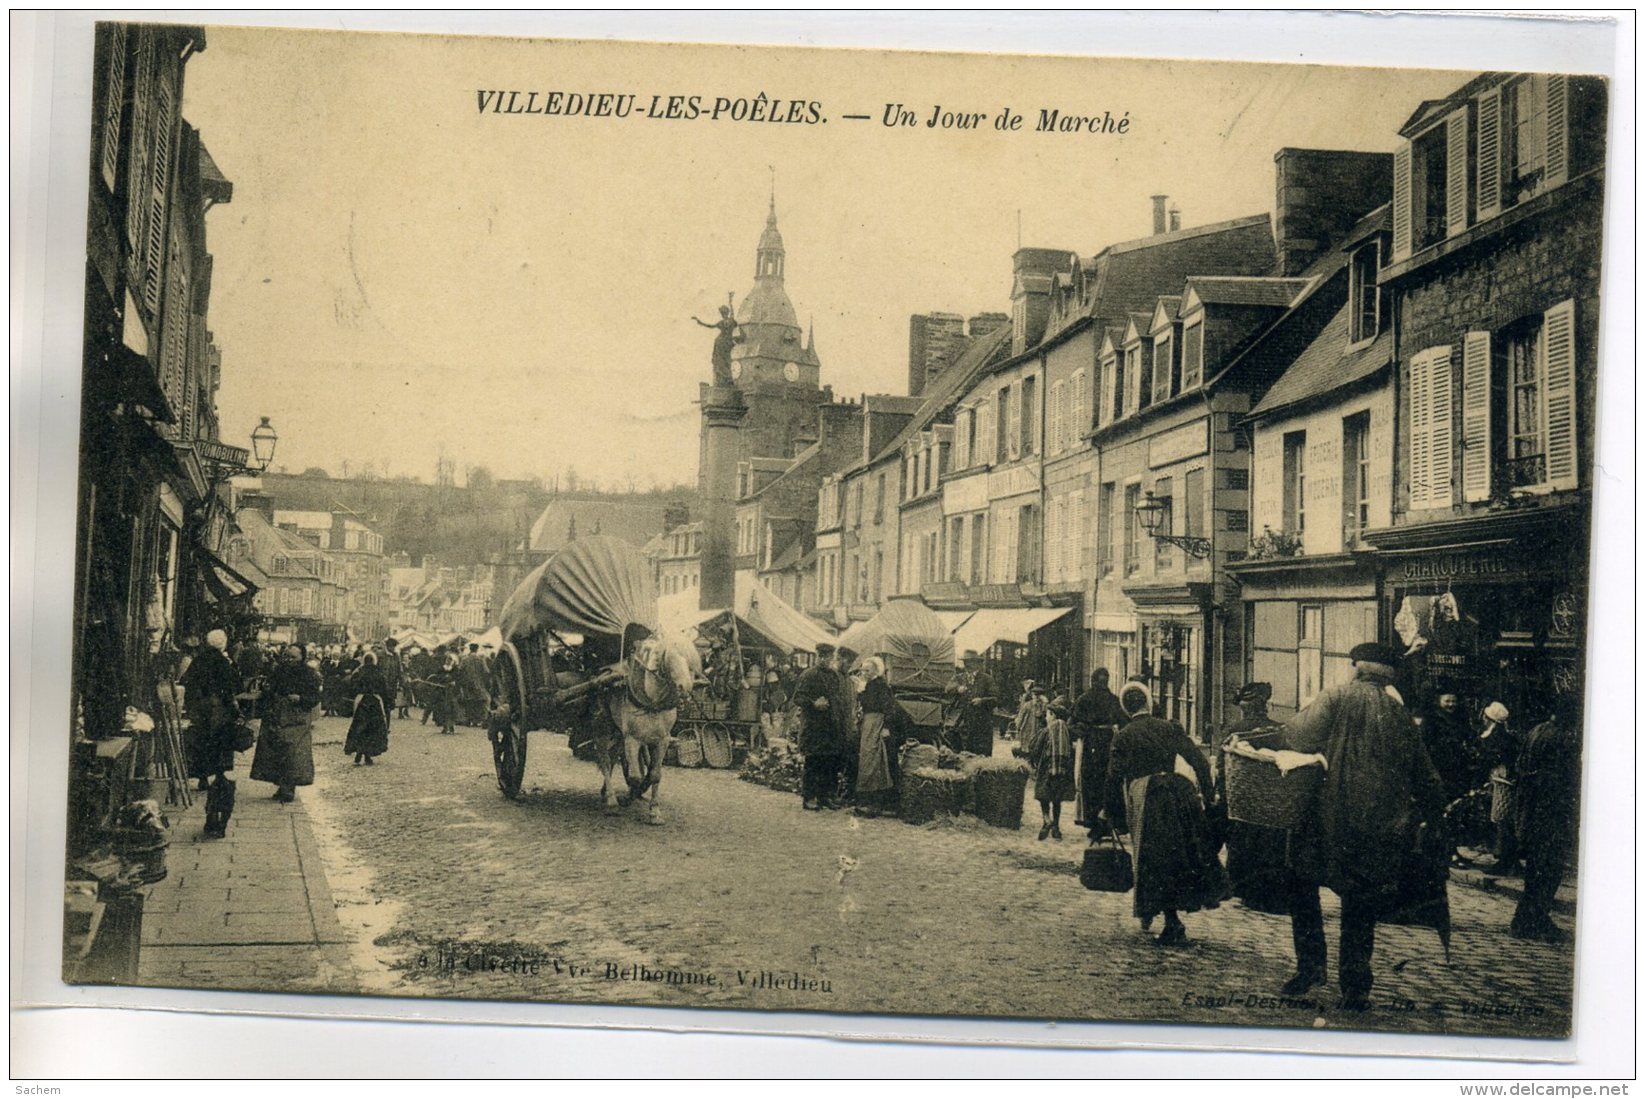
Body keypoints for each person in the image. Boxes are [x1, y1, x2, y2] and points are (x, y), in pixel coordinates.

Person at [1276, 642, 1446, 1011]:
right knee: (1360, 905)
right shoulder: (1399, 715)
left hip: (1327, 820)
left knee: (1301, 885)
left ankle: (1310, 968)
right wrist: (1436, 816)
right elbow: (1426, 775)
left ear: (1357, 668)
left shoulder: (1334, 698)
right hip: (1377, 828)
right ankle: (1355, 987)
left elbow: (1297, 737)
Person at [1101, 681, 1224, 947]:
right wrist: (1209, 794)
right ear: (1148, 703)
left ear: (1127, 709)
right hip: (1179, 793)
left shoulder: (1124, 735)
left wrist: (1109, 811)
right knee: (1183, 855)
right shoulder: (1169, 728)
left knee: (1151, 857)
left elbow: (1113, 778)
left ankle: (1167, 920)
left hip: (1146, 797)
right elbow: (1199, 761)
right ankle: (1160, 914)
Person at [1509, 697, 1581, 943]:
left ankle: (1526, 919)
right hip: (1550, 813)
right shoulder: (1562, 739)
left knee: (1535, 868)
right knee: (1549, 869)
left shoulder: (1537, 731)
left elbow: (1520, 766)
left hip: (1531, 810)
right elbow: (1564, 780)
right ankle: (1533, 919)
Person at [1219, 682, 1293, 915]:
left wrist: (1220, 792)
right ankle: (1269, 890)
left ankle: (1243, 887)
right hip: (1272, 800)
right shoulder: (1279, 730)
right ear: (1265, 707)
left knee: (1243, 842)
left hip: (1242, 799)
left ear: (1244, 708)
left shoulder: (1235, 730)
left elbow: (1224, 767)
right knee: (1270, 844)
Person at [180, 629, 243, 838]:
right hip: (218, 713)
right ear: (223, 644)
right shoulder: (224, 663)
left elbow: (187, 681)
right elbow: (233, 687)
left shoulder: (198, 660)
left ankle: (202, 777)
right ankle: (219, 775)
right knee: (219, 747)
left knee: (201, 744)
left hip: (200, 711)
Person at [251, 644, 322, 803]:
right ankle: (281, 784)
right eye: (287, 656)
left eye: (293, 658)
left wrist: (301, 699)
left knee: (293, 752)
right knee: (274, 749)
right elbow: (268, 690)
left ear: (302, 658)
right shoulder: (277, 671)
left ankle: (289, 787)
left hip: (297, 717)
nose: (289, 660)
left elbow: (315, 698)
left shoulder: (310, 675)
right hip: (276, 714)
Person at [1071, 668, 1128, 835]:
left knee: (1093, 782)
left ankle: (1095, 821)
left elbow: (1072, 723)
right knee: (1107, 781)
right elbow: (1124, 722)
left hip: (1093, 744)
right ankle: (1105, 821)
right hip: (1106, 742)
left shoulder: (1085, 699)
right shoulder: (1112, 700)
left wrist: (1081, 731)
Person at [793, 642, 848, 811]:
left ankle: (826, 796)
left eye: (828, 657)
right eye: (822, 657)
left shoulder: (835, 676)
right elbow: (797, 698)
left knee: (830, 763)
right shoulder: (808, 675)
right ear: (817, 657)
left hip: (831, 727)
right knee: (814, 763)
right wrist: (813, 703)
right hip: (815, 727)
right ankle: (809, 797)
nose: (825, 660)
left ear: (832, 658)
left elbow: (839, 699)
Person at [853, 657, 905, 816]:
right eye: (862, 670)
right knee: (869, 759)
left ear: (876, 671)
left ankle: (879, 803)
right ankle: (869, 800)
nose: (864, 673)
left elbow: (889, 708)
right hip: (869, 724)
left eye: (867, 670)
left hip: (878, 725)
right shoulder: (869, 685)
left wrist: (887, 727)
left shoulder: (881, 685)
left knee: (877, 761)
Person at [1020, 696, 1075, 840]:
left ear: (1053, 715)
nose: (1046, 717)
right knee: (1057, 800)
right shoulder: (1068, 731)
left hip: (1047, 768)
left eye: (1048, 714)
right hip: (1063, 770)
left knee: (1043, 796)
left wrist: (1033, 762)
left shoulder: (1046, 731)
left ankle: (1046, 820)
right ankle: (1056, 827)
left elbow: (1035, 748)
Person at [1477, 701, 1521, 876]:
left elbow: (1496, 759)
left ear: (1489, 718)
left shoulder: (1498, 738)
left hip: (1501, 782)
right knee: (1501, 820)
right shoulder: (1499, 735)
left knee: (1502, 820)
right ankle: (1507, 858)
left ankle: (1506, 860)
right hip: (1496, 781)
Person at [344, 651, 392, 765]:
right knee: (373, 728)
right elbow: (384, 689)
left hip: (361, 701)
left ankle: (358, 752)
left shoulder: (359, 672)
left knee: (359, 727)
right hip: (375, 701)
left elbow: (352, 687)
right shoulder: (379, 673)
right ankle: (368, 755)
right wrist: (387, 702)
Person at [951, 651, 997, 757]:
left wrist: (982, 701)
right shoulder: (959, 678)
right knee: (961, 751)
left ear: (977, 664)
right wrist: (958, 688)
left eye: (971, 662)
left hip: (982, 723)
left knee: (981, 753)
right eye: (966, 662)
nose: (968, 665)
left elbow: (995, 699)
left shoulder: (987, 679)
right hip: (963, 722)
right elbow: (947, 688)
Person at [837, 646, 862, 797]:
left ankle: (849, 791)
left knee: (851, 758)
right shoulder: (834, 678)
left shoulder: (852, 681)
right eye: (846, 663)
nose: (848, 666)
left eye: (850, 664)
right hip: (836, 726)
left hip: (849, 726)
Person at [382, 638, 409, 720]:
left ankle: (387, 724)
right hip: (382, 684)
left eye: (394, 647)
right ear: (387, 646)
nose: (393, 648)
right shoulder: (382, 656)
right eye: (391, 647)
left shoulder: (396, 656)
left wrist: (402, 682)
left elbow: (399, 670)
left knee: (389, 706)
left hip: (392, 684)